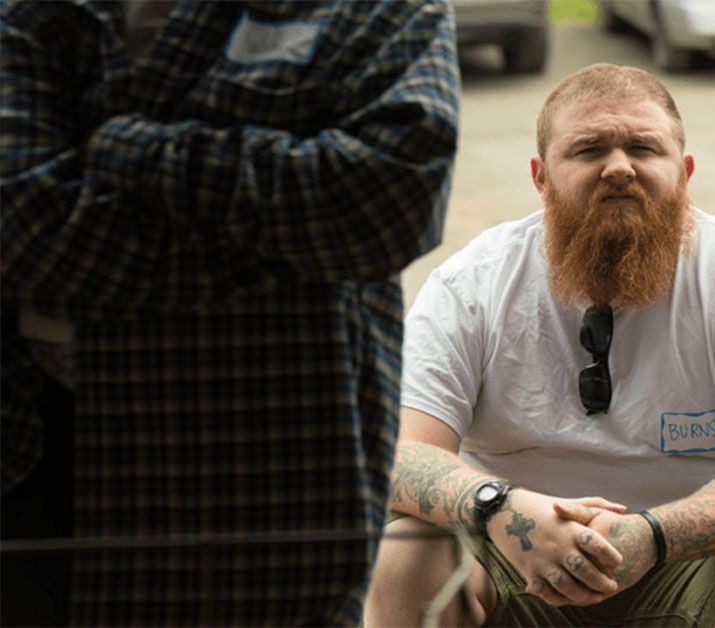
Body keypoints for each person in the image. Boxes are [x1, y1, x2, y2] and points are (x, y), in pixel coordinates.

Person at [364, 63, 715, 627]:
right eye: (588, 150)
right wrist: (503, 508)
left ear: (684, 172)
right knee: (405, 558)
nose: (619, 168)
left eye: (643, 148)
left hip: (695, 561)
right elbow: (394, 454)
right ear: (540, 177)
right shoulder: (472, 284)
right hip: (516, 556)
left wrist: (654, 535)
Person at [0, 1, 458, 625]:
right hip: (45, 470)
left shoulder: (377, 9)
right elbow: (23, 224)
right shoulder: (31, 11)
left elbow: (387, 201)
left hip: (272, 486)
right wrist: (283, 258)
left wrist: (126, 146)